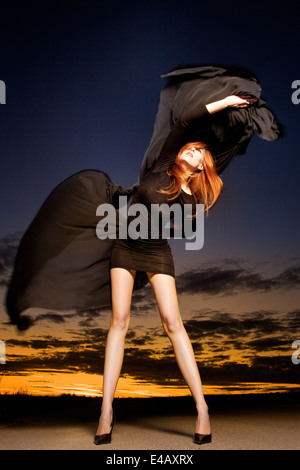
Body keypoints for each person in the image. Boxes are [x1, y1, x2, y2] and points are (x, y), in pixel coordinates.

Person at [94, 94, 251, 446]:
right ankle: (106, 410)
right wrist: (226, 101)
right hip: (124, 244)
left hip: (156, 252)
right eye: (191, 148)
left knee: (173, 324)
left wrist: (240, 129)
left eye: (198, 153)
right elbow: (185, 120)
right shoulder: (164, 162)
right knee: (119, 320)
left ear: (202, 167)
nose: (191, 151)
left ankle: (202, 409)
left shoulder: (193, 195)